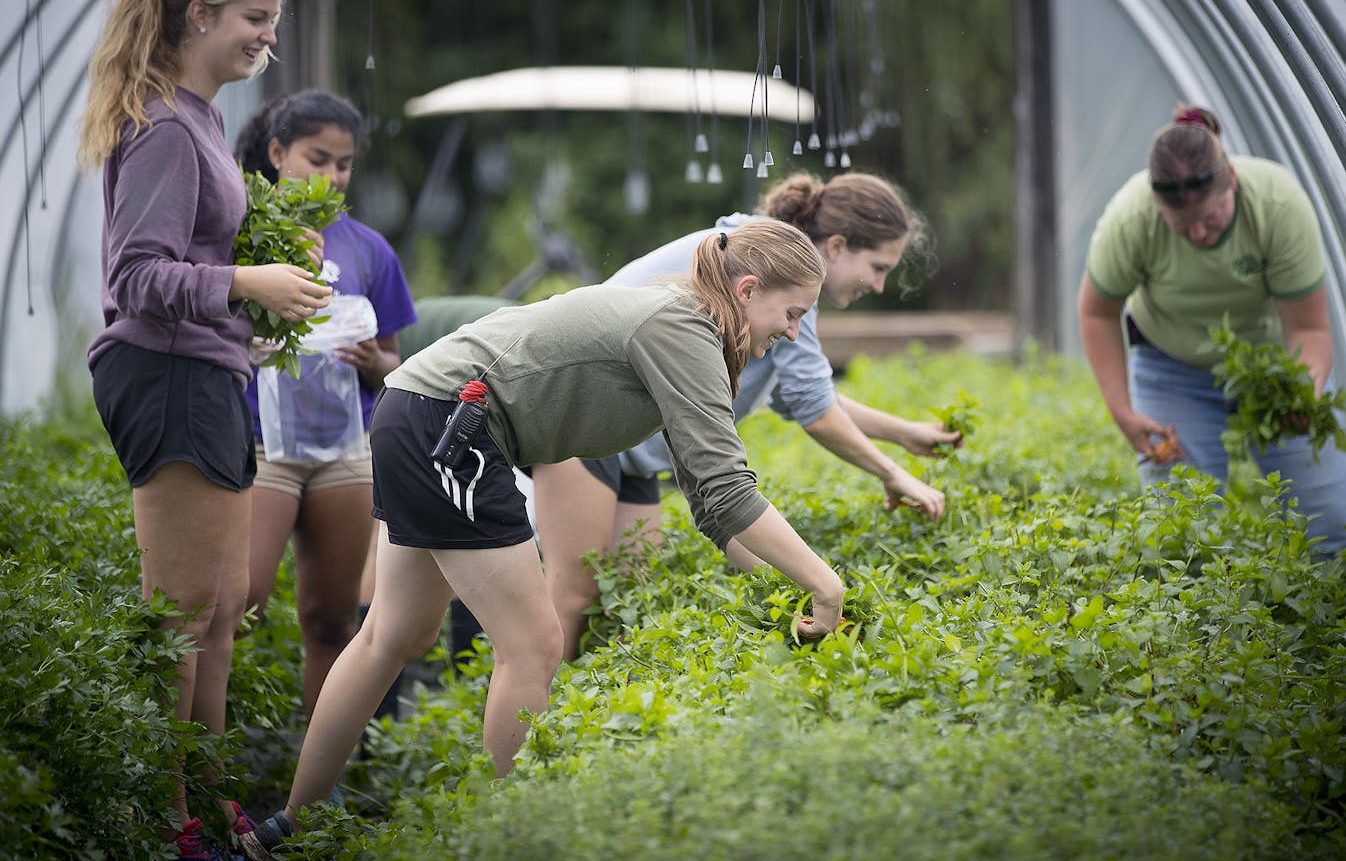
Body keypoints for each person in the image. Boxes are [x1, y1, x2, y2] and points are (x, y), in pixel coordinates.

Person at [240, 218, 846, 859]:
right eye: (793, 313)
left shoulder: (690, 322)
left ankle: (288, 827)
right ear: (749, 290)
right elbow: (728, 488)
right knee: (533, 644)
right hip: (451, 424)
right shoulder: (682, 327)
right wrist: (825, 584)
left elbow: (709, 496)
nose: (793, 332)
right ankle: (510, 838)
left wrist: (778, 582)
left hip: (420, 409)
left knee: (393, 636)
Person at [77, 0, 331, 860]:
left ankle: (207, 808)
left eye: (273, 20)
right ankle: (162, 821)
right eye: (256, 19)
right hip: (170, 376)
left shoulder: (203, 120)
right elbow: (137, 278)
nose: (267, 37)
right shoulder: (164, 126)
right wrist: (246, 280)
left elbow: (193, 264)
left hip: (209, 370)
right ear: (201, 14)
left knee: (220, 608)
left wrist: (258, 293)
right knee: (180, 614)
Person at [536, 171, 958, 658]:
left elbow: (800, 394)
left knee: (626, 596)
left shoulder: (780, 277)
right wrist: (891, 475)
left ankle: (579, 711)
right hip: (587, 418)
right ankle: (537, 717)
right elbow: (812, 409)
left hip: (637, 442)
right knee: (575, 597)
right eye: (878, 267)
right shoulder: (778, 271)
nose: (881, 286)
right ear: (837, 246)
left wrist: (902, 434)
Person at [1077, 103, 1346, 556]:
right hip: (1173, 369)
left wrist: (1301, 391)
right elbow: (1097, 311)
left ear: (1233, 182)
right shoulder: (1131, 219)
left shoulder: (1277, 204)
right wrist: (1121, 410)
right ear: (1156, 206)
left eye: (1211, 217)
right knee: (1180, 536)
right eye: (1182, 226)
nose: (1200, 234)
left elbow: (1310, 329)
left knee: (1327, 531)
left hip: (1271, 371)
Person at [234, 90, 418, 720]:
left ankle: (316, 793)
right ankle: (206, 768)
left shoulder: (369, 249)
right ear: (278, 153)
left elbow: (398, 365)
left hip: (346, 451)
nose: (333, 176)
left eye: (344, 164)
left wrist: (374, 365)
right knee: (237, 606)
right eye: (319, 158)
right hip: (263, 447)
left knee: (333, 620)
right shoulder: (242, 234)